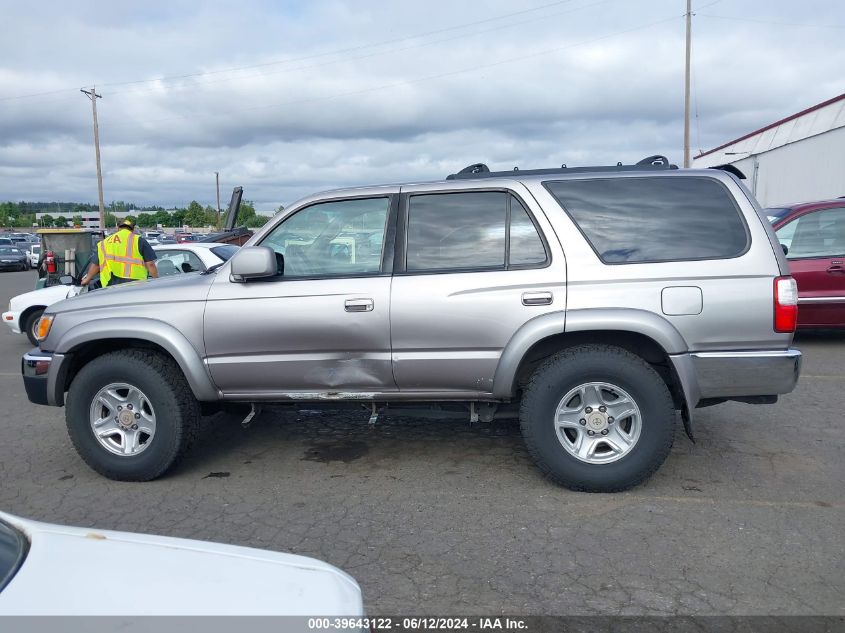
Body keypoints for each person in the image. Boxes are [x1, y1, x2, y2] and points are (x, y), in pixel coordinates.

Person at [80, 217, 158, 288]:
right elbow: (150, 264)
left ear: (118, 228)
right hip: (136, 285)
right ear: (133, 229)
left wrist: (87, 279)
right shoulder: (139, 240)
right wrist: (156, 282)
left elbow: (96, 264)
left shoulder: (104, 243)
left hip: (111, 285)